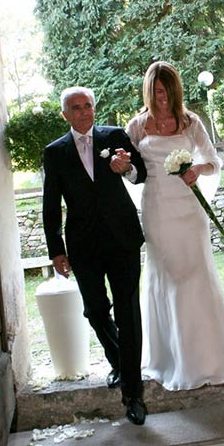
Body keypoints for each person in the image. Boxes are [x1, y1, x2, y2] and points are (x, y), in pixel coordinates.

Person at [126, 62, 224, 391]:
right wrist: (121, 167)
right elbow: (130, 172)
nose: (161, 98)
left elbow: (214, 161)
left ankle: (208, 358)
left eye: (166, 92)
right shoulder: (137, 126)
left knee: (196, 277)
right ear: (148, 92)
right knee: (169, 279)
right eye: (155, 92)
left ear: (175, 91)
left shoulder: (191, 122)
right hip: (157, 211)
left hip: (189, 212)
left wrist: (197, 170)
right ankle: (172, 360)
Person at [42, 86, 148, 425]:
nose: (84, 112)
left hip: (123, 239)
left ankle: (133, 393)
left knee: (128, 311)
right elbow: (50, 206)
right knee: (96, 310)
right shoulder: (55, 152)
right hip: (83, 245)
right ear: (65, 114)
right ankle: (119, 360)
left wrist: (126, 168)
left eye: (88, 105)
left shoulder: (115, 136)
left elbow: (141, 173)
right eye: (76, 107)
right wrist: (56, 250)